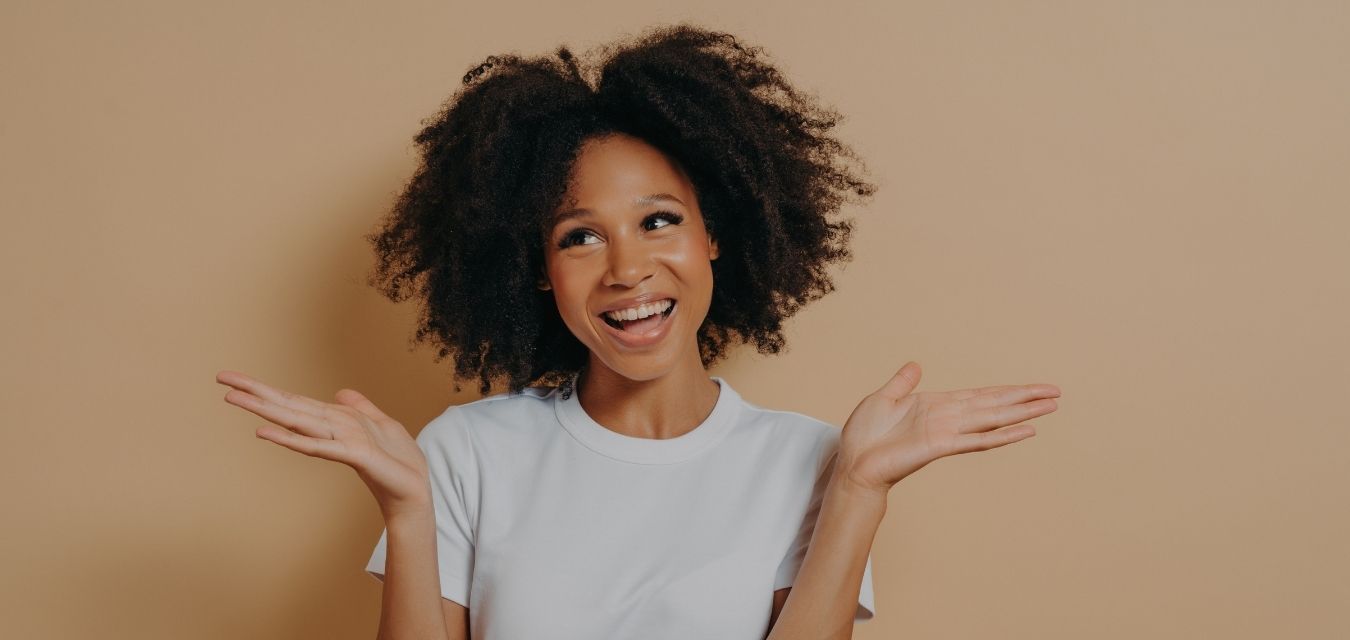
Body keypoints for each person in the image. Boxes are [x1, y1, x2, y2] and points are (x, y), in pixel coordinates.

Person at [215, 22, 1062, 640]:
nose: (626, 268)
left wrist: (857, 493)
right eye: (579, 236)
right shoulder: (466, 453)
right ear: (540, 272)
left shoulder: (809, 462)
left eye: (658, 221)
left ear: (714, 234)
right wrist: (407, 512)